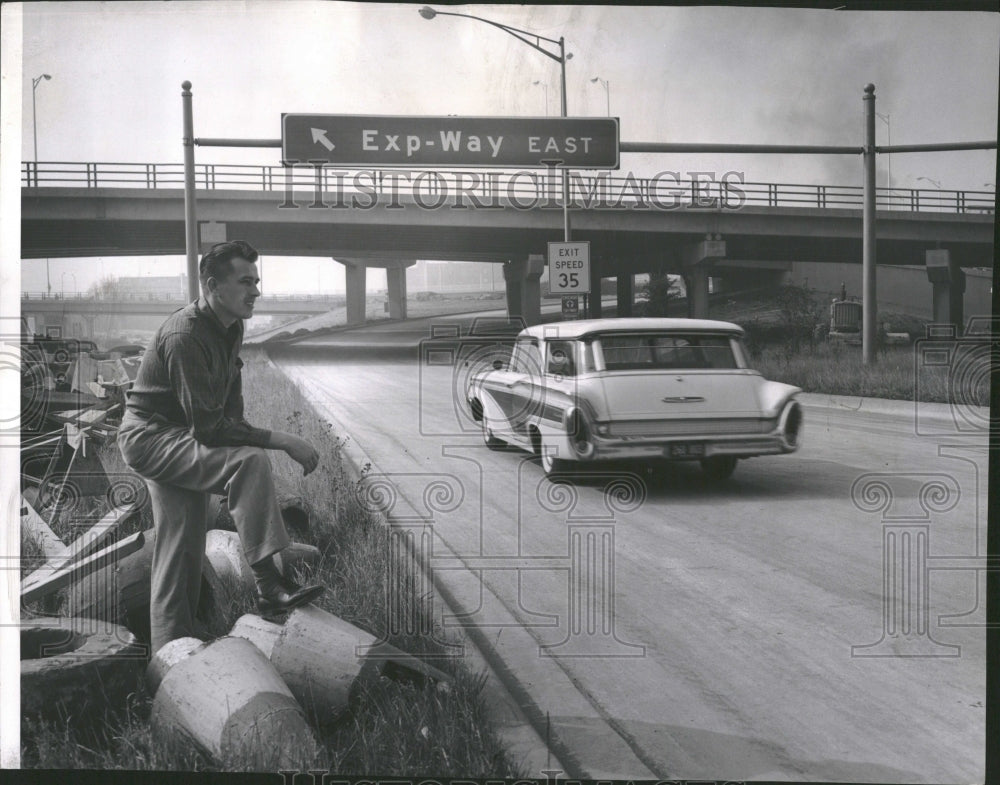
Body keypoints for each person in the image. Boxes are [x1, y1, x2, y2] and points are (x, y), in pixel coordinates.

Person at [118, 240, 324, 654]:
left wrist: (246, 429)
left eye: (257, 281)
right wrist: (283, 440)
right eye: (245, 281)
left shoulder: (232, 326)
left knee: (181, 552)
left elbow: (230, 414)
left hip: (181, 438)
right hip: (151, 438)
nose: (256, 291)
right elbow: (211, 430)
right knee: (248, 461)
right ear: (213, 285)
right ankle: (268, 585)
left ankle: (169, 660)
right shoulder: (184, 336)